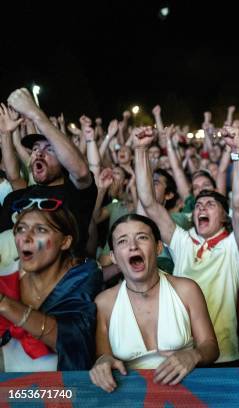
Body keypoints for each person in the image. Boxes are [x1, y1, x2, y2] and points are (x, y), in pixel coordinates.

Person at [134, 125, 239, 364]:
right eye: (198, 205)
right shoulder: (183, 241)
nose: (201, 208)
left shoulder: (234, 247)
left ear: (224, 217)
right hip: (180, 356)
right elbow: (149, 202)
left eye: (210, 204)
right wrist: (140, 150)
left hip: (225, 357)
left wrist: (238, 152)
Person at [89, 214, 219, 392]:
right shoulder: (103, 302)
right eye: (122, 241)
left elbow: (211, 347)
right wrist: (101, 362)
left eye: (142, 237)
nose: (133, 246)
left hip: (187, 391)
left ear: (158, 247)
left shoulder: (187, 289)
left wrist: (194, 355)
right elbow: (103, 357)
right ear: (113, 257)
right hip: (129, 395)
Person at [0, 198, 102, 371]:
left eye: (40, 230)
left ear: (65, 242)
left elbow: (74, 339)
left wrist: (4, 304)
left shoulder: (83, 276)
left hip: (65, 392)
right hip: (10, 391)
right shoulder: (5, 278)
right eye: (21, 229)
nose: (26, 237)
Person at [0, 89, 97, 256]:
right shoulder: (16, 198)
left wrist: (35, 113)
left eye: (49, 149)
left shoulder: (75, 196)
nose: (39, 153)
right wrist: (6, 133)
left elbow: (81, 172)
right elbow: (13, 176)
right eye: (36, 149)